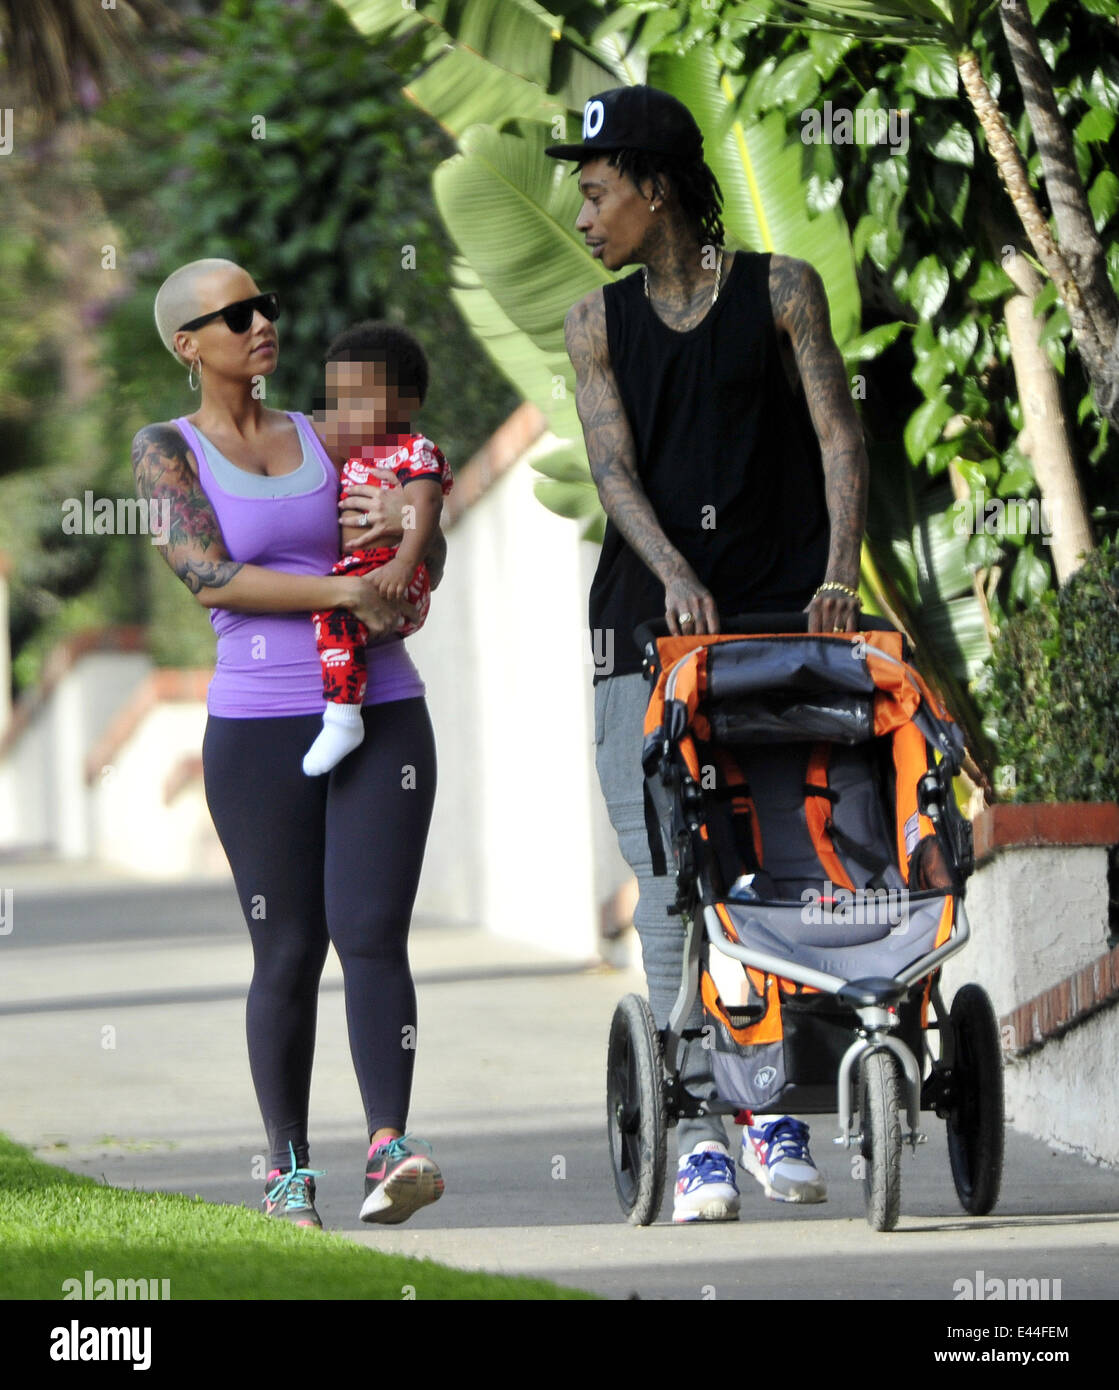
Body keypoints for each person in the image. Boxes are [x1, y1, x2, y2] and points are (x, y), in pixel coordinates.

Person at [549, 87, 868, 1222]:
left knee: (778, 875)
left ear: (657, 185)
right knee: (675, 888)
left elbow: (838, 433)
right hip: (644, 634)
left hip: (780, 623)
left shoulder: (785, 290)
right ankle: (697, 1138)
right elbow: (613, 472)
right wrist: (678, 571)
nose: (582, 216)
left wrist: (839, 574)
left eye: (595, 192)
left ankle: (767, 1106)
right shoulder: (594, 325)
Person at [132, 257, 445, 1227]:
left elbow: (420, 520)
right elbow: (208, 575)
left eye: (267, 303)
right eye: (236, 314)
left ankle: (389, 1145)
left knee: (373, 931)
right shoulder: (165, 450)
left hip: (383, 705)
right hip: (259, 726)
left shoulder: (325, 431)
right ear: (189, 345)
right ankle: (287, 1165)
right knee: (289, 947)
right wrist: (345, 591)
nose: (262, 321)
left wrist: (412, 540)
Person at [303, 323, 452, 777]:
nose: (344, 413)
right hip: (364, 569)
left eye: (359, 400)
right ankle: (343, 715)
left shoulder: (413, 450)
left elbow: (428, 503)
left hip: (394, 572)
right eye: (337, 402)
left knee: (335, 613)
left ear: (407, 402)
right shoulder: (355, 458)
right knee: (333, 613)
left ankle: (344, 718)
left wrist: (406, 562)